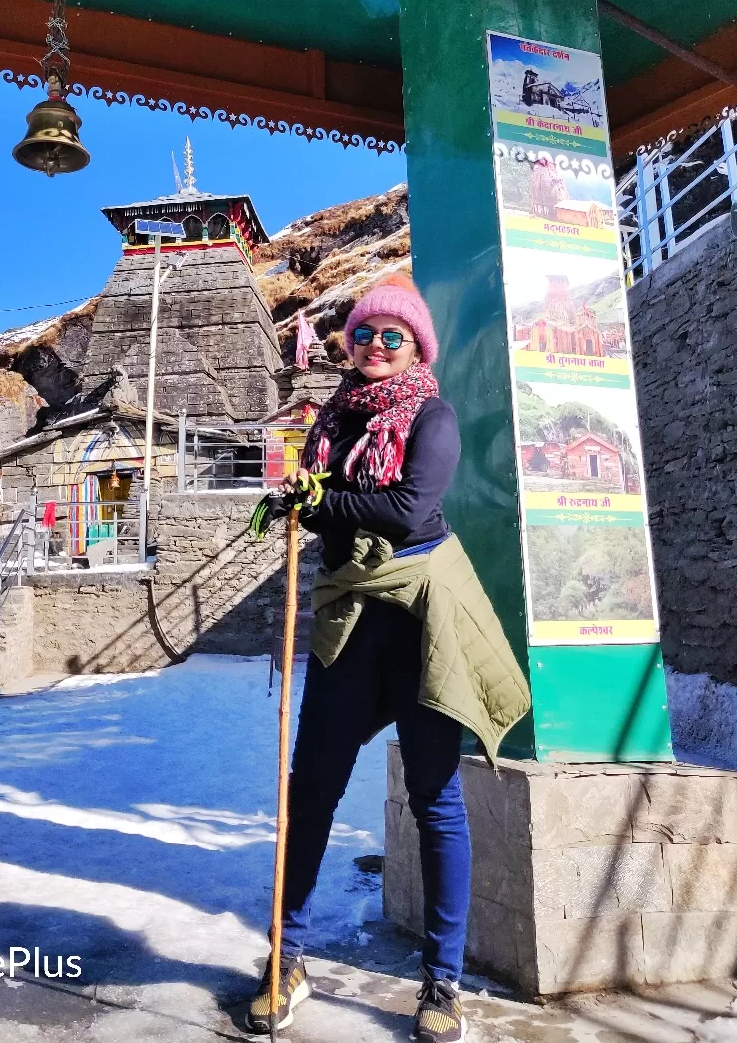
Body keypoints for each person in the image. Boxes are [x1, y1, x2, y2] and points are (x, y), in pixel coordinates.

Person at [249, 276, 530, 1041]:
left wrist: (316, 501)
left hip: (420, 619)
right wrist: (299, 503)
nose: (374, 347)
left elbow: (409, 510)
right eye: (364, 334)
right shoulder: (332, 420)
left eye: (391, 337)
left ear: (416, 347)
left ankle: (443, 983)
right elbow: (331, 513)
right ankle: (288, 955)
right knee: (312, 789)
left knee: (435, 797)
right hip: (350, 618)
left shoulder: (431, 416)